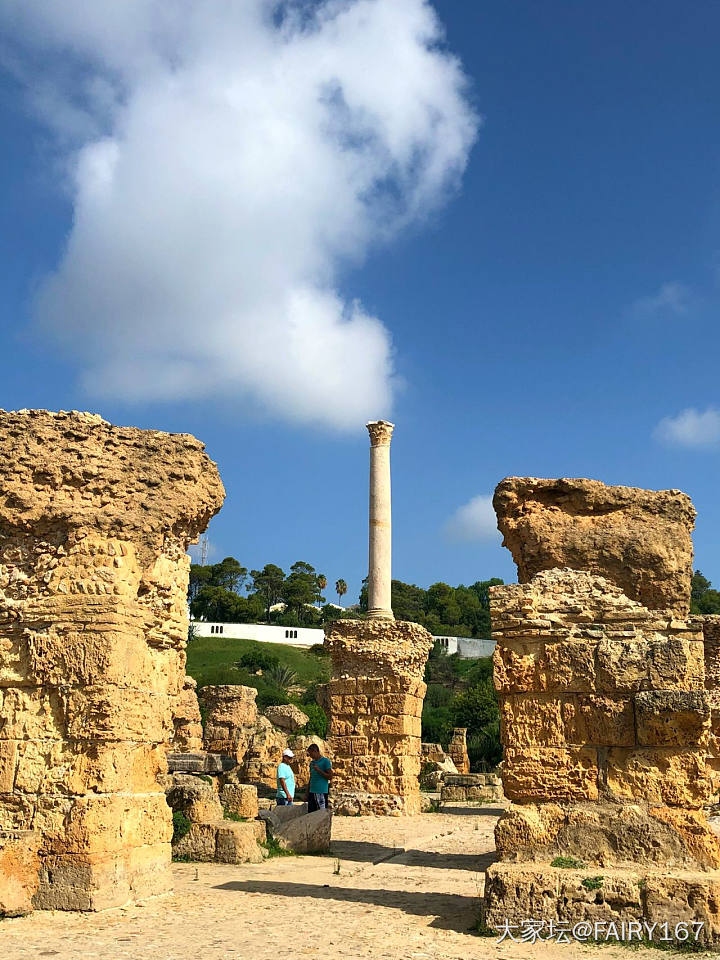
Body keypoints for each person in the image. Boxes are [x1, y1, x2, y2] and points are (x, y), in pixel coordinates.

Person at [306, 742, 332, 812]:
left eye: (311, 754)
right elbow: (311, 778)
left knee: (321, 813)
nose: (310, 756)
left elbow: (330, 776)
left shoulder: (325, 761)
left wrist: (319, 770)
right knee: (311, 813)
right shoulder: (312, 763)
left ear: (315, 751)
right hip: (312, 792)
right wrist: (307, 791)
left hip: (321, 792)